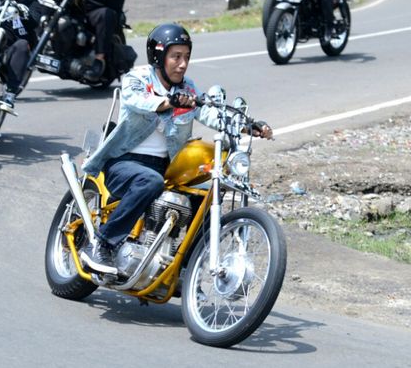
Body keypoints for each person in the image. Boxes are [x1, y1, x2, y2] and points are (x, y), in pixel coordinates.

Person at [80, 23, 273, 274]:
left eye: (187, 57)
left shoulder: (188, 88)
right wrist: (166, 102)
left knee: (207, 192)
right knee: (150, 181)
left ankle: (184, 267)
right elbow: (137, 101)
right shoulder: (137, 78)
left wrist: (249, 126)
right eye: (176, 57)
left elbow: (210, 113)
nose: (182, 64)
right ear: (159, 57)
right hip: (124, 162)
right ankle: (103, 244)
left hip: (164, 167)